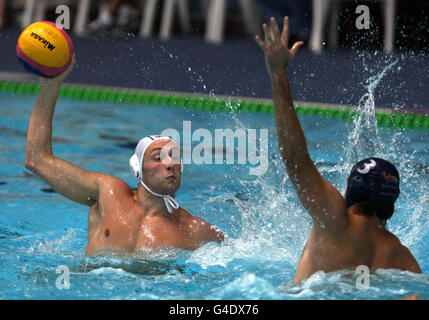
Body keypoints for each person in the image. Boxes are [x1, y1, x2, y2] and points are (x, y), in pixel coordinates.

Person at [255, 16, 422, 283]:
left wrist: (278, 74)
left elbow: (295, 158)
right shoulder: (403, 257)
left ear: (350, 190)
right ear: (392, 201)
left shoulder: (334, 221)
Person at [24, 55, 224, 256]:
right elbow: (37, 160)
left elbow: (250, 253)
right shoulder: (107, 193)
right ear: (137, 169)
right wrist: (51, 87)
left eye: (175, 157)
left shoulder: (193, 230)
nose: (170, 163)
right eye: (158, 157)